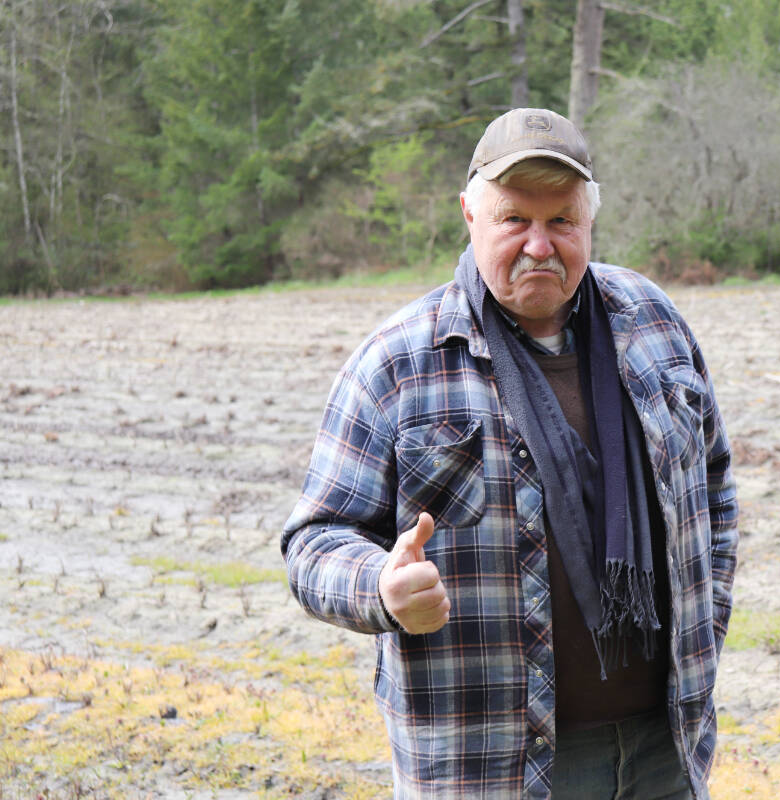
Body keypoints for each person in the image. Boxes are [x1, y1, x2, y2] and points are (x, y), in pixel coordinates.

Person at [281, 107, 738, 800]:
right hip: (490, 766)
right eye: (514, 219)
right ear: (470, 213)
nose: (539, 245)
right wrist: (381, 586)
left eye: (561, 221)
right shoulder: (398, 365)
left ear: (590, 221)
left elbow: (714, 489)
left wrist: (709, 622)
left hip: (665, 750)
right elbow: (314, 542)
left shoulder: (654, 324)